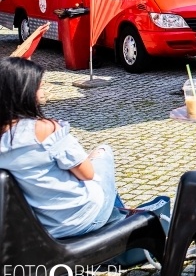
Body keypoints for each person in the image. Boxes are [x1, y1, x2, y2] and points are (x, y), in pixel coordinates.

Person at [0, 57, 121, 238]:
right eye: (39, 86)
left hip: (43, 225)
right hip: (83, 217)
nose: (45, 91)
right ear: (24, 92)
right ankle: (120, 225)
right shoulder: (44, 130)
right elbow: (87, 174)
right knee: (103, 153)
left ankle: (118, 220)